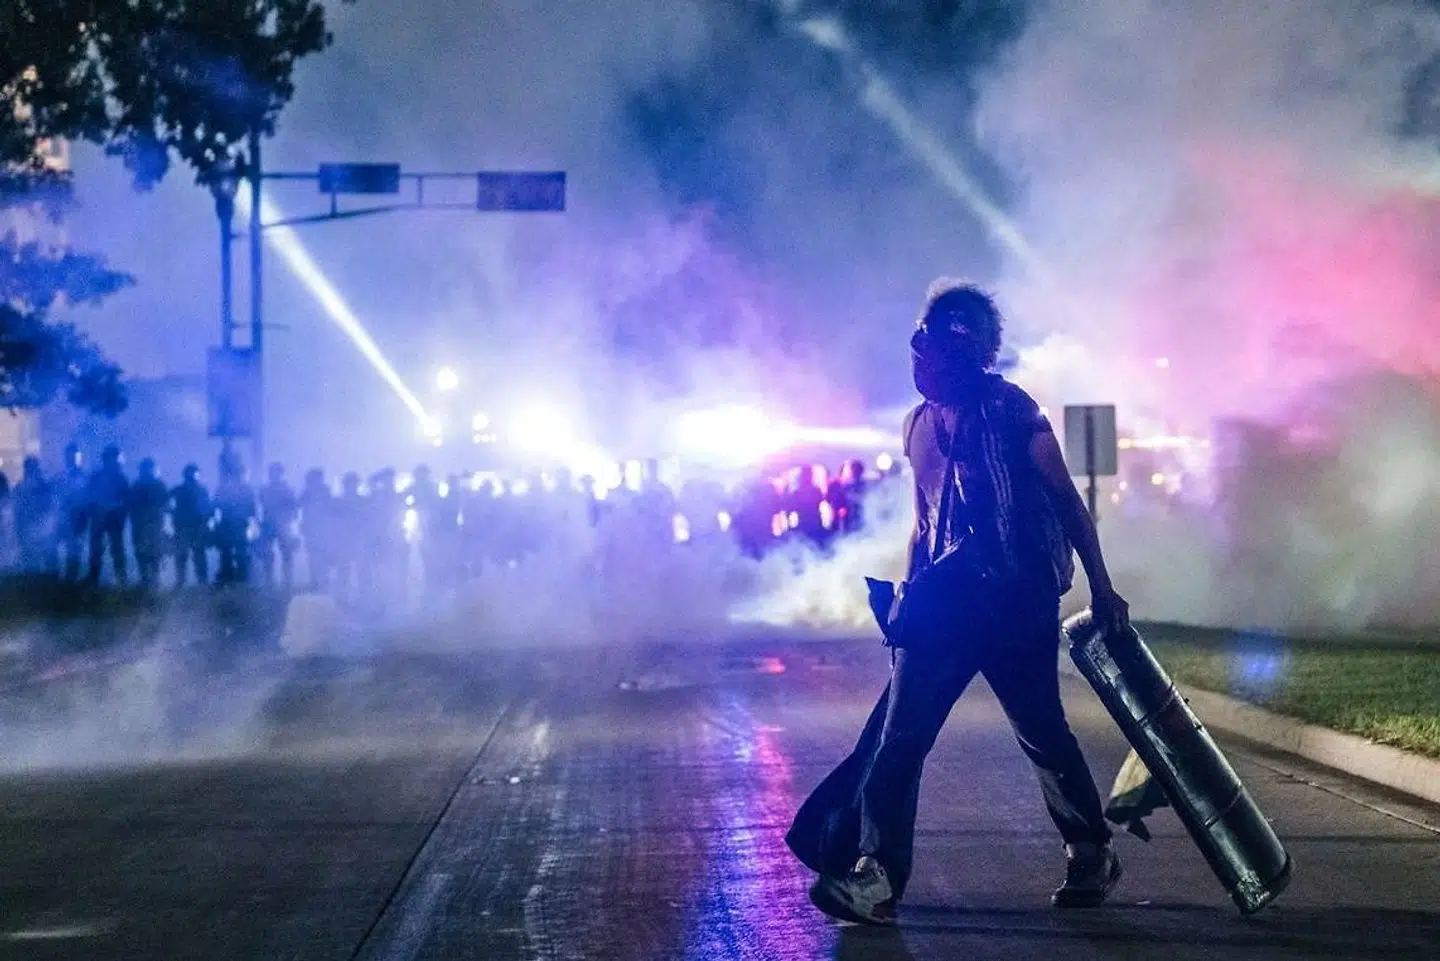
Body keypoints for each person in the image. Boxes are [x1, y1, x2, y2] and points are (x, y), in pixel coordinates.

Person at [788, 280, 1132, 925]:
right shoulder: (916, 425)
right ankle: (878, 877)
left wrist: (1103, 585)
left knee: (1043, 734)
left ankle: (1091, 850)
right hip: (943, 607)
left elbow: (1064, 501)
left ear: (966, 351)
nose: (918, 360)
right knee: (899, 742)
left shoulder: (1012, 412)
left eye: (931, 348)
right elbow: (923, 523)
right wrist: (908, 599)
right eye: (916, 346)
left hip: (1015, 604)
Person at [86, 444, 130, 586]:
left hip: (114, 518)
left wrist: (120, 514)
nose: (117, 461)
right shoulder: (96, 477)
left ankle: (121, 577)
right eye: (114, 458)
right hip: (99, 516)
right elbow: (90, 496)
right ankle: (94, 577)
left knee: (117, 548)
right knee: (96, 549)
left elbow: (125, 500)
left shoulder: (121, 478)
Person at [128, 458, 169, 589]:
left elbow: (165, 504)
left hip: (153, 525)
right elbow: (131, 504)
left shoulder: (159, 485)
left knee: (154, 553)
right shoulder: (137, 485)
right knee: (143, 553)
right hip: (141, 525)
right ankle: (146, 579)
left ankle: (154, 580)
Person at [257, 463, 300, 590]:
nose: (274, 475)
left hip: (281, 524)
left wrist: (290, 519)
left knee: (285, 554)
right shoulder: (268, 490)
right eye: (273, 472)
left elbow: (293, 508)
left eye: (276, 472)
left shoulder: (286, 490)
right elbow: (261, 507)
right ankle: (270, 581)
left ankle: (286, 581)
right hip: (271, 524)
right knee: (268, 554)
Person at [171, 464, 212, 587]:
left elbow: (206, 509)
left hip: (194, 526)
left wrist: (205, 524)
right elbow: (168, 505)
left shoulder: (200, 490)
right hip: (185, 526)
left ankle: (200, 581)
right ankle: (184, 581)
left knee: (196, 555)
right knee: (184, 555)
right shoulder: (180, 490)